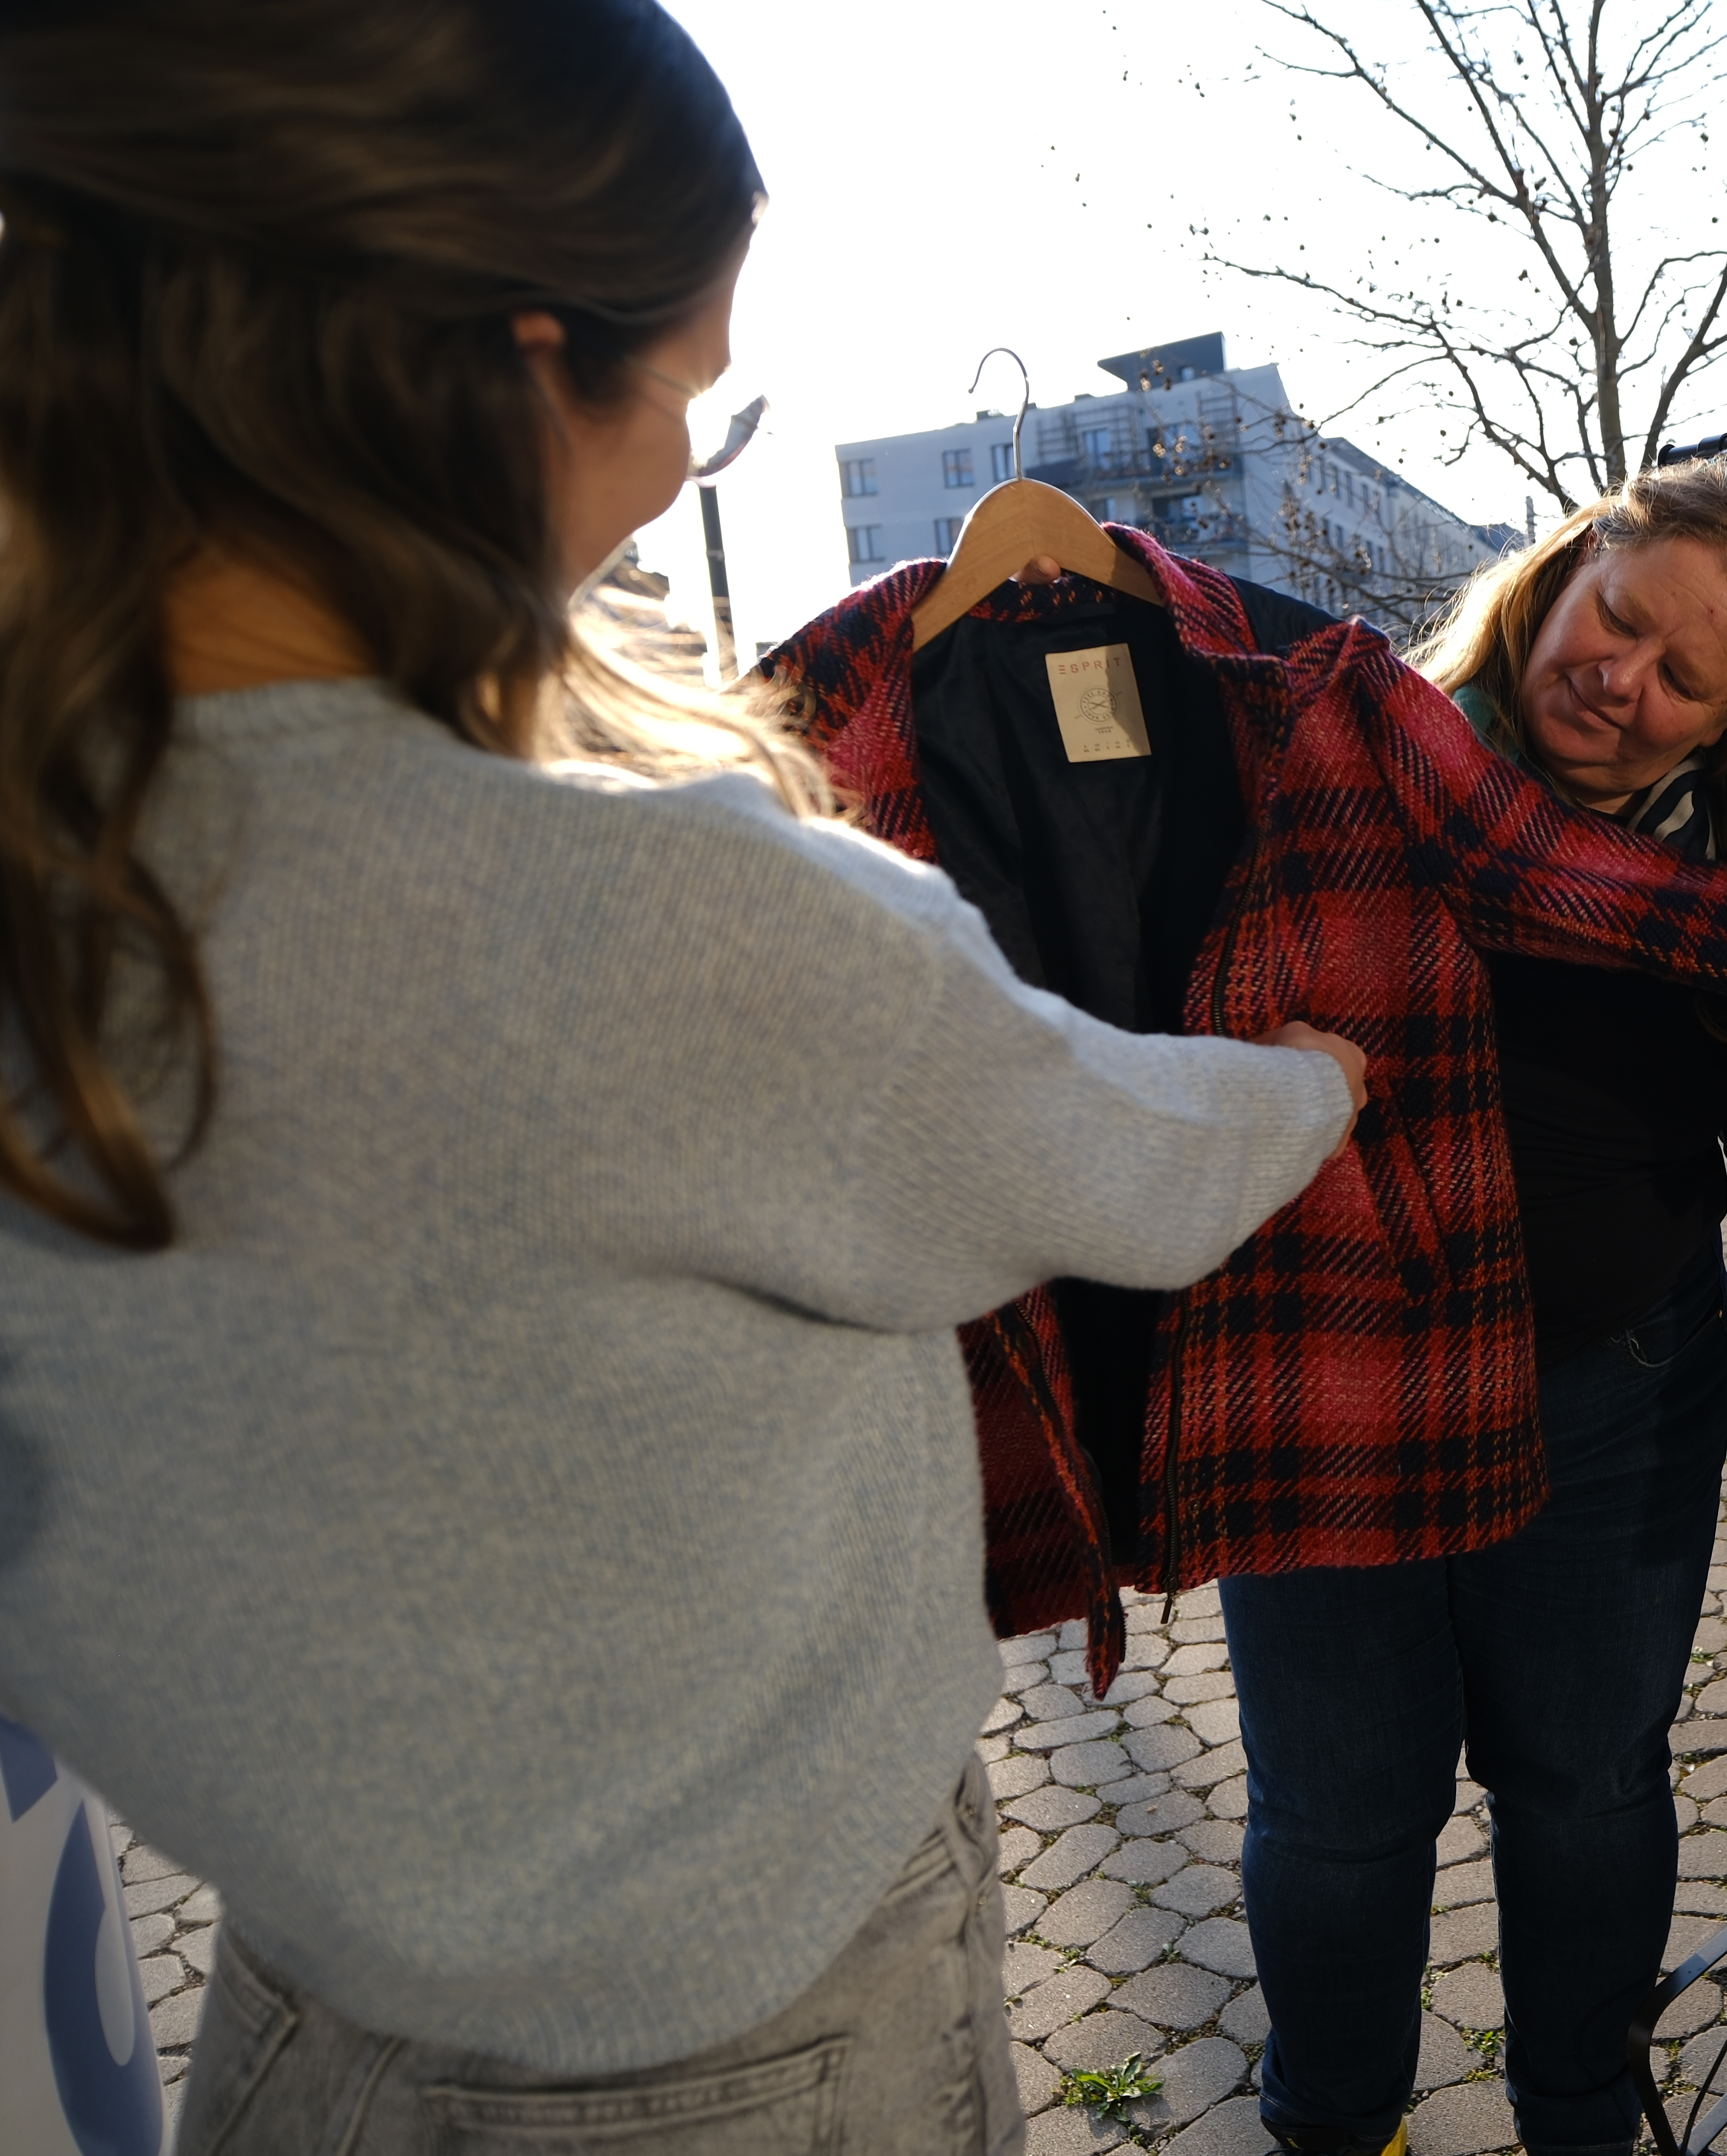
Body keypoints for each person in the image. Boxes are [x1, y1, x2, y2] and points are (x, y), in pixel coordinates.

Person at [0, 5, 1366, 2150]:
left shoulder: (78, 852)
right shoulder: (652, 915)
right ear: (498, 365)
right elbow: (1108, 1160)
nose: (665, 473)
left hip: (298, 2021)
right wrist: (1310, 1084)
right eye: (681, 399)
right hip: (728, 2045)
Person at [1221, 460, 1727, 2156]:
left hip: (1608, 1396)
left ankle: (1582, 2128)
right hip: (1322, 1387)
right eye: (1616, 619)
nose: (1618, 680)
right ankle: (1335, 2133)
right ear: (1564, 574)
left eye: (1680, 679)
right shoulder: (1336, 758)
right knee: (1342, 1825)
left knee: (1584, 1799)